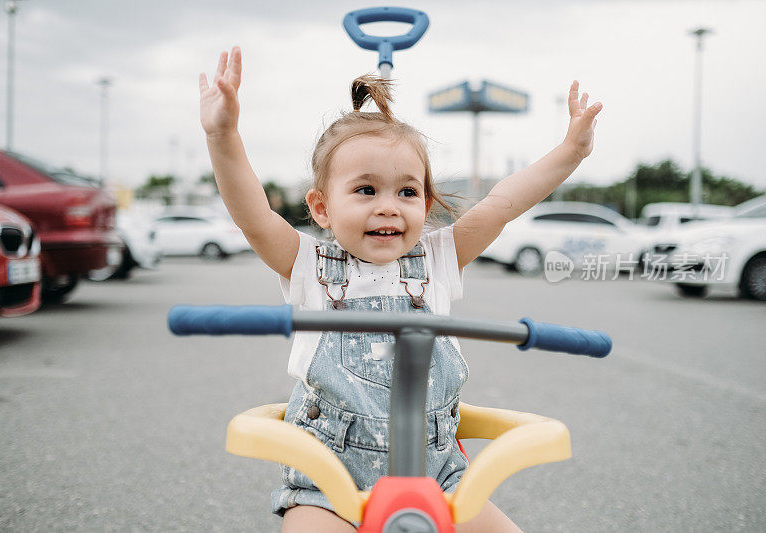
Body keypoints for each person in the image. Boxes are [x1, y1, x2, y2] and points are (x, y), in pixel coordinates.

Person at [199, 46, 602, 533]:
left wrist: (571, 151)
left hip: (438, 475)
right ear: (322, 208)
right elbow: (254, 215)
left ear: (426, 203)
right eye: (366, 190)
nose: (388, 207)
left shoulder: (436, 260)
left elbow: (501, 203)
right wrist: (222, 134)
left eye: (406, 192)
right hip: (330, 482)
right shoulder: (309, 265)